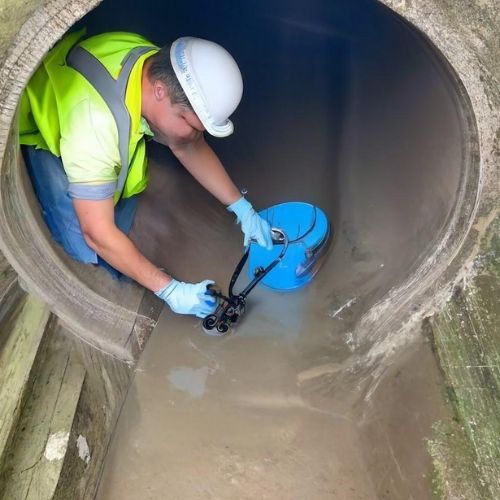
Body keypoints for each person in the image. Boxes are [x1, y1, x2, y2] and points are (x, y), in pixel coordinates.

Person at [18, 30, 273, 319]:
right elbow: (97, 233)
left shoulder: (155, 65)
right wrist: (168, 289)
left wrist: (241, 206)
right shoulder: (95, 130)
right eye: (190, 124)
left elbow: (190, 146)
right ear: (160, 91)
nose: (193, 134)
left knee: (120, 208)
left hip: (87, 104)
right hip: (53, 130)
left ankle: (128, 258)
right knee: (84, 244)